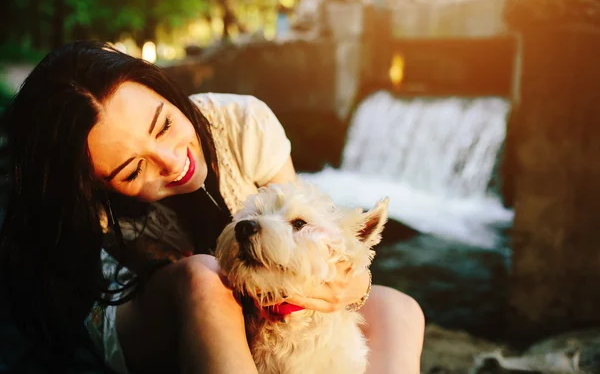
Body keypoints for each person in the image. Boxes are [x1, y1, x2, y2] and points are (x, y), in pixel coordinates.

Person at [0, 40, 425, 373]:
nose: (172, 162)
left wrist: (356, 284)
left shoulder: (245, 123)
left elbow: (304, 231)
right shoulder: (83, 208)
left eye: (164, 125)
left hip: (251, 296)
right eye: (132, 171)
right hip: (144, 315)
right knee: (206, 277)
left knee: (397, 308)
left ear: (160, 87)